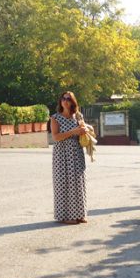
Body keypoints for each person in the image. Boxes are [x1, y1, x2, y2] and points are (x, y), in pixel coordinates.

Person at [50, 91, 88, 224]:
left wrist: (84, 130)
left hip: (76, 152)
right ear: (60, 101)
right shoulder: (55, 118)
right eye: (63, 98)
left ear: (73, 102)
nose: (65, 101)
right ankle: (66, 216)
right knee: (63, 183)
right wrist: (73, 131)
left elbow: (83, 130)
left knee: (78, 183)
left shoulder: (78, 116)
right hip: (61, 154)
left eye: (68, 99)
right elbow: (56, 137)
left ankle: (80, 214)